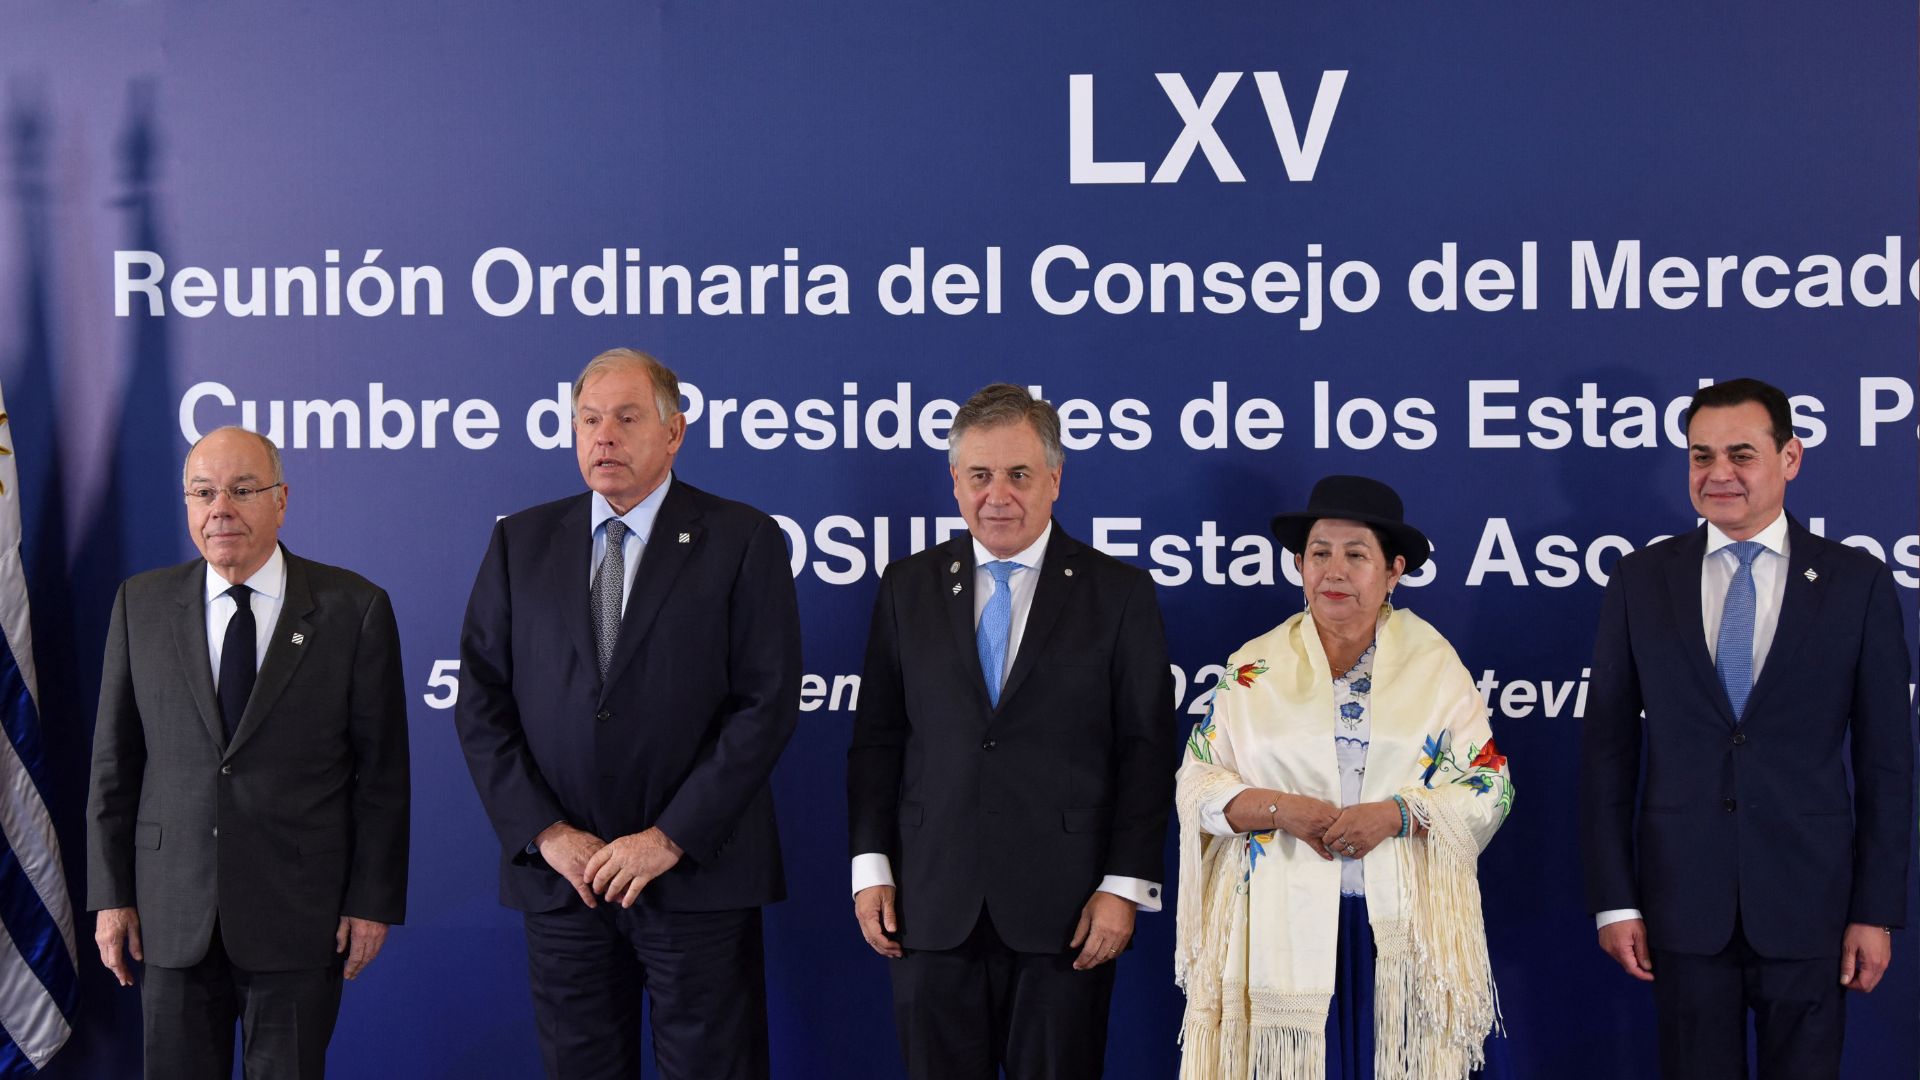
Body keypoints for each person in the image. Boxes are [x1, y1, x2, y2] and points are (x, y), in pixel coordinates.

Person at [455, 348, 801, 1080]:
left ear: (674, 433)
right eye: (587, 419)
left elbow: (764, 706)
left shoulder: (742, 539)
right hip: (564, 882)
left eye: (625, 417)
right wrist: (546, 833)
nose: (602, 435)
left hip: (696, 878)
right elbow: (482, 699)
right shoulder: (520, 542)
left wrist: (669, 838)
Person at [1580, 378, 1913, 1079]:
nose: (1718, 474)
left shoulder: (1857, 583)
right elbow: (1609, 753)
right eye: (1701, 456)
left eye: (1741, 454)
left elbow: (1888, 764)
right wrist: (1615, 900)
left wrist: (1875, 910)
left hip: (1812, 906)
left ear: (1789, 458)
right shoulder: (1641, 580)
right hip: (1681, 906)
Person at [846, 382, 1174, 1079]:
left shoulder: (1118, 594)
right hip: (930, 906)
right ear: (955, 484)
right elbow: (877, 740)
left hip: (1068, 913)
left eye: (1019, 474)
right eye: (980, 476)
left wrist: (1124, 886)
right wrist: (870, 867)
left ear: (1054, 479)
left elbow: (1145, 752)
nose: (999, 494)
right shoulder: (907, 587)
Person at [85, 426, 410, 1079]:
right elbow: (114, 765)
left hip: (298, 917)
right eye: (203, 493)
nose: (219, 510)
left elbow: (382, 777)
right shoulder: (139, 605)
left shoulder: (354, 608)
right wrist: (111, 896)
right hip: (172, 914)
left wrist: (371, 900)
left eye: (241, 490)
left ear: (281, 500)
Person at [1173, 474, 1512, 1080]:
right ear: (1300, 565)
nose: (1334, 571)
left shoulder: (1435, 665)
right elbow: (1196, 784)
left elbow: (1488, 786)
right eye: (1319, 554)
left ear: (1393, 570)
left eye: (1356, 555)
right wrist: (1279, 809)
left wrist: (1399, 815)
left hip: (1394, 929)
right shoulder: (1254, 665)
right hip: (1276, 929)